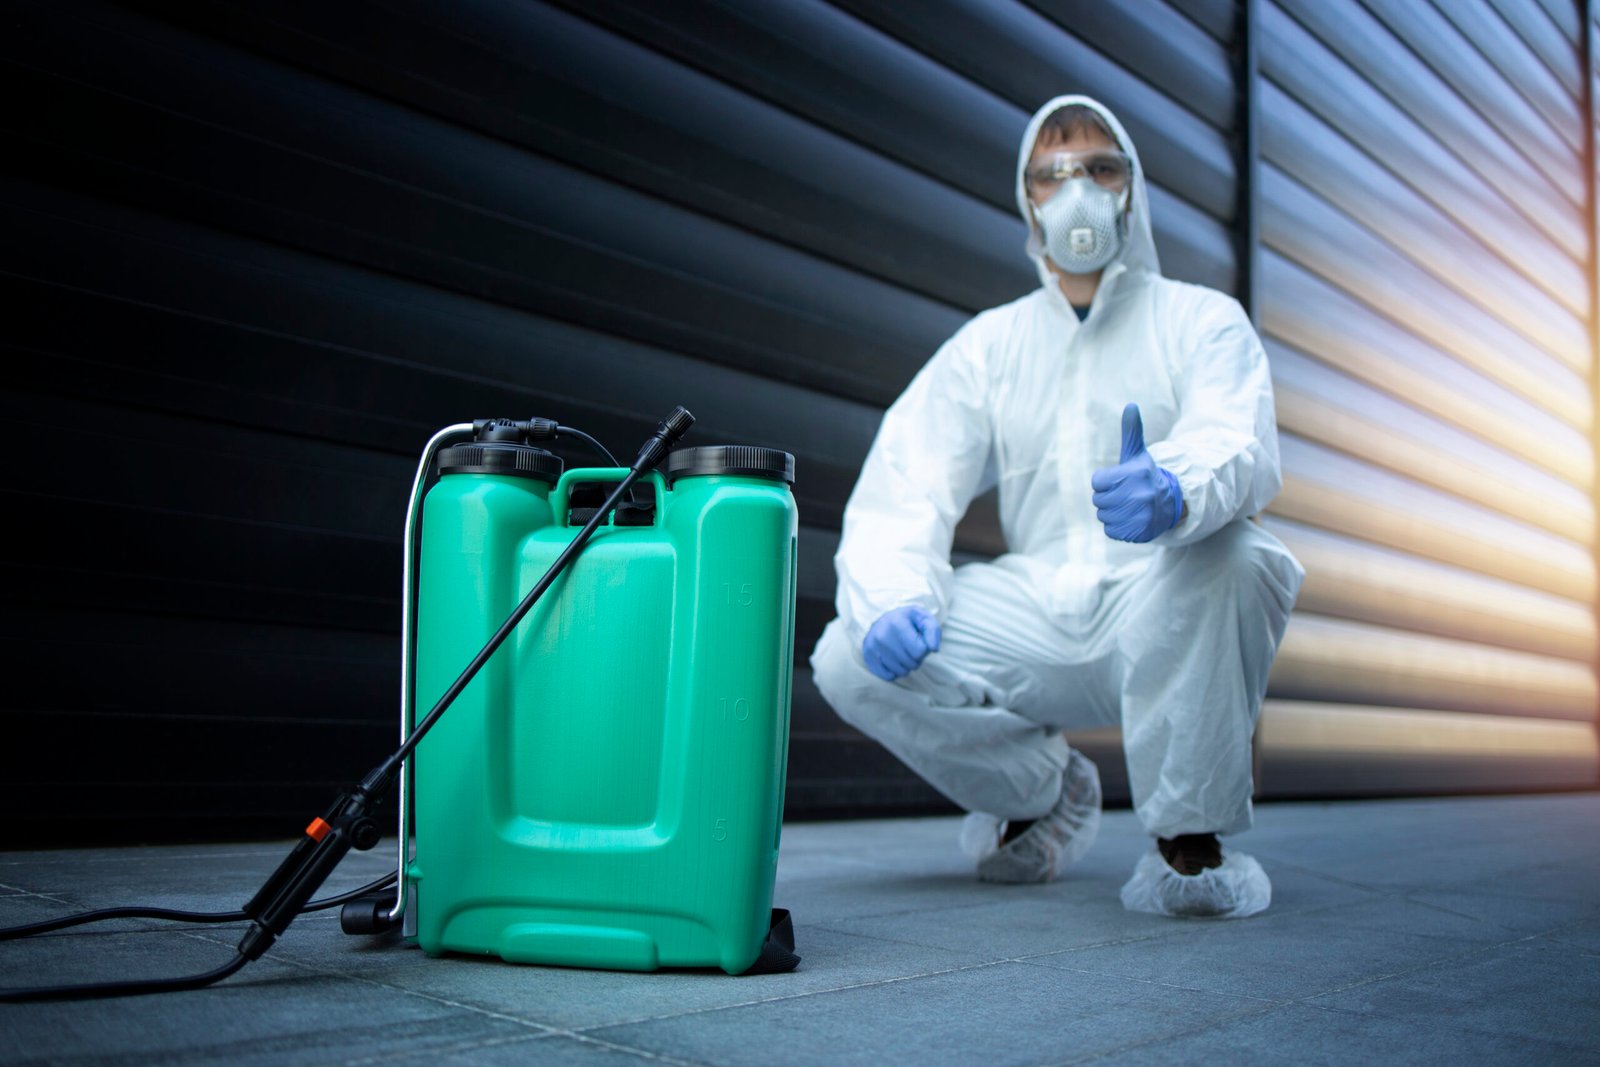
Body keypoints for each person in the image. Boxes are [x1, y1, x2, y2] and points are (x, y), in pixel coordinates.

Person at [809, 95, 1304, 919]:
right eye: (1052, 175)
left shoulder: (1198, 319)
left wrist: (1177, 483)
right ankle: (1038, 787)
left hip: (1160, 602)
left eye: (1100, 169)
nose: (1077, 192)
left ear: (1131, 191)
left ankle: (1190, 836)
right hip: (1037, 616)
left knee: (1240, 556)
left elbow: (1237, 433)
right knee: (846, 652)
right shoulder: (991, 345)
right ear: (1028, 202)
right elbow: (909, 477)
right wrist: (893, 593)